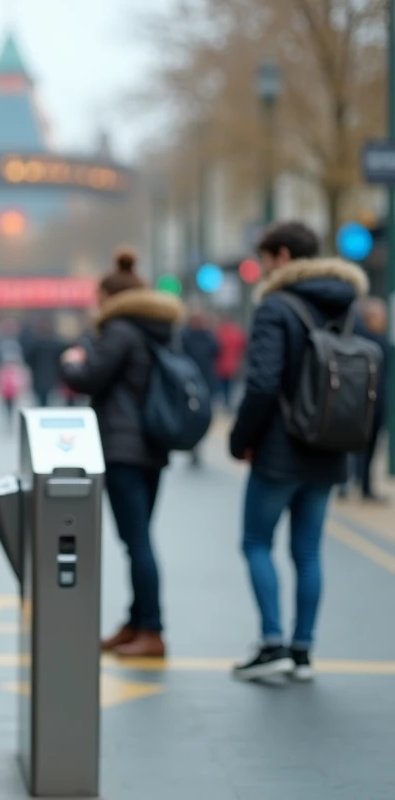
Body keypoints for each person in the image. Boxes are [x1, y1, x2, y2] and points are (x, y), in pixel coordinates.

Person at [229, 221, 368, 682]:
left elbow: (263, 383)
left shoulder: (276, 306)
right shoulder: (346, 305)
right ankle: (303, 651)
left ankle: (272, 643)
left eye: (265, 259)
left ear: (283, 256)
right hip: (330, 444)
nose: (263, 269)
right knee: (307, 553)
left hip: (280, 447)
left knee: (256, 542)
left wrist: (240, 439)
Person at [59, 247, 182, 658]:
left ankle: (152, 629)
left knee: (137, 541)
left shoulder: (119, 332)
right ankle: (136, 622)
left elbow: (90, 379)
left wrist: (72, 361)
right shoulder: (159, 328)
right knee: (139, 537)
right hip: (153, 442)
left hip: (122, 445)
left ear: (111, 298)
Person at [341, 297, 387, 502]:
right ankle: (349, 483)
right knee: (354, 447)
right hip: (358, 403)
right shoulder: (364, 340)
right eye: (380, 316)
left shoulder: (378, 340)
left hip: (375, 403)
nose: (383, 320)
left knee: (369, 448)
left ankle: (364, 486)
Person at [179, 310, 220, 467]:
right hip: (192, 380)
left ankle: (196, 444)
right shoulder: (189, 335)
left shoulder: (204, 336)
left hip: (202, 380)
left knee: (201, 414)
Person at [214, 315, 247, 409]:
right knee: (230, 386)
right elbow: (243, 348)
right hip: (234, 364)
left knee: (223, 385)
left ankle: (224, 402)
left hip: (221, 364)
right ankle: (228, 403)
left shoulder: (220, 332)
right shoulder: (238, 333)